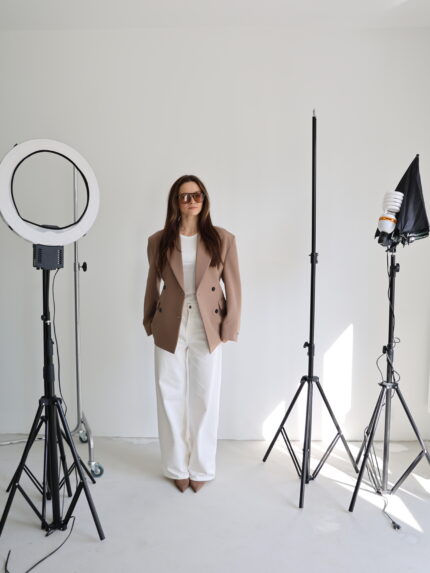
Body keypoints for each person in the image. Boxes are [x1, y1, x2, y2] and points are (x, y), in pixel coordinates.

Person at [143, 174, 241, 493]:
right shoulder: (159, 240)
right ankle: (175, 465)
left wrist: (230, 325)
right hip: (169, 320)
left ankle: (201, 465)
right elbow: (153, 283)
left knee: (205, 394)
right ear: (175, 201)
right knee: (168, 392)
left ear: (204, 198)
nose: (192, 200)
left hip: (207, 322)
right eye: (185, 196)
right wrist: (149, 319)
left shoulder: (222, 239)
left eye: (197, 194)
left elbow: (233, 285)